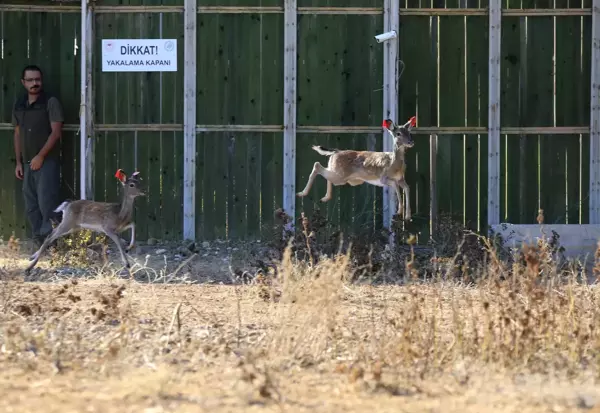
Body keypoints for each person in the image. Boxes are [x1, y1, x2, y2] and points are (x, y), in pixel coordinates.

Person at [12, 65, 64, 248]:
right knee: (31, 205)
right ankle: (38, 241)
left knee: (47, 204)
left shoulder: (50, 102)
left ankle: (51, 244)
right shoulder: (19, 104)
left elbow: (56, 133)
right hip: (27, 163)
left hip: (46, 162)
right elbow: (17, 134)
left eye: (37, 80)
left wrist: (41, 156)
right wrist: (19, 162)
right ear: (23, 82)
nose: (35, 83)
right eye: (31, 80)